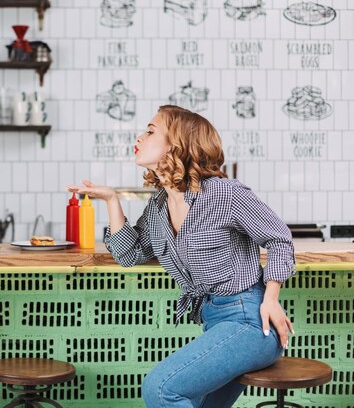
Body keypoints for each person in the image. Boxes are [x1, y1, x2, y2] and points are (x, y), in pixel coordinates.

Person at [67, 105, 295, 408]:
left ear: (178, 144)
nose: (139, 136)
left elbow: (279, 238)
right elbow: (130, 254)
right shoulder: (159, 207)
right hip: (214, 323)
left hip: (251, 323)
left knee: (161, 389)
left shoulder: (224, 194)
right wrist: (111, 200)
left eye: (150, 131)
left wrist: (271, 298)